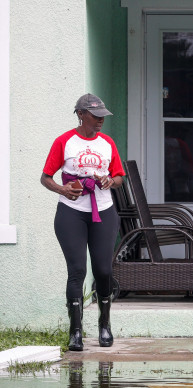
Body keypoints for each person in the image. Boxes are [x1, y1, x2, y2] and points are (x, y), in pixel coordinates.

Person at [41, 94, 125, 350]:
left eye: (102, 116)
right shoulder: (64, 142)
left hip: (104, 211)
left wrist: (111, 181)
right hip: (71, 213)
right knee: (77, 271)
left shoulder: (107, 143)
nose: (100, 120)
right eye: (95, 115)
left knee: (103, 271)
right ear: (80, 114)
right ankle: (75, 332)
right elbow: (45, 177)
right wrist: (63, 189)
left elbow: (119, 176)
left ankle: (104, 325)